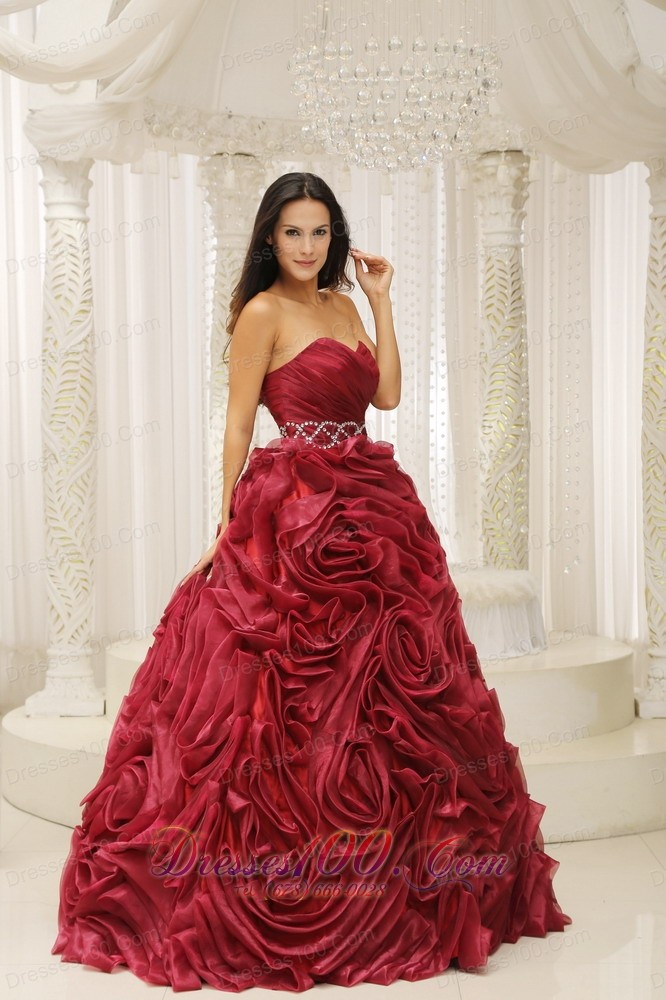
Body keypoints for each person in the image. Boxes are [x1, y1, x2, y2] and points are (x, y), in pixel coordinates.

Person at [52, 172, 571, 992]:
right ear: (270, 237)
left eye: (319, 231)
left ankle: (406, 878)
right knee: (283, 693)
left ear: (335, 237)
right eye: (292, 232)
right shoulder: (262, 313)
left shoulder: (344, 304)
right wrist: (225, 523)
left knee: (394, 690)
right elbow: (236, 422)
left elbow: (386, 396)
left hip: (371, 502)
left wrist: (383, 302)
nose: (306, 245)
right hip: (292, 507)